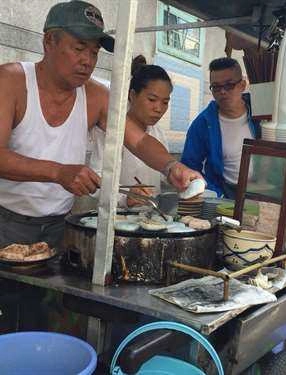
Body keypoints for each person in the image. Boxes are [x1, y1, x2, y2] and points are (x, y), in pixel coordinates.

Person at [0, 0, 201, 248]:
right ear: (49, 41)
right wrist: (57, 172)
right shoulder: (11, 81)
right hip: (6, 221)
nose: (87, 60)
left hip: (62, 224)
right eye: (79, 48)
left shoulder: (96, 95)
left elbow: (137, 139)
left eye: (94, 52)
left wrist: (171, 166)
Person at [89, 55, 170, 207]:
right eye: (152, 100)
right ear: (132, 95)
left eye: (165, 102)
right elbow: (95, 180)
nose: (159, 109)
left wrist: (180, 178)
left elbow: (163, 175)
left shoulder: (159, 134)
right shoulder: (110, 129)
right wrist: (125, 197)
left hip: (151, 220)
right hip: (116, 221)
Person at [181, 57, 261, 199]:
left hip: (264, 191)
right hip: (226, 194)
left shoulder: (261, 113)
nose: (222, 92)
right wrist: (215, 193)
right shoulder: (203, 123)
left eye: (229, 85)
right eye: (216, 87)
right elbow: (189, 166)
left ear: (242, 85)